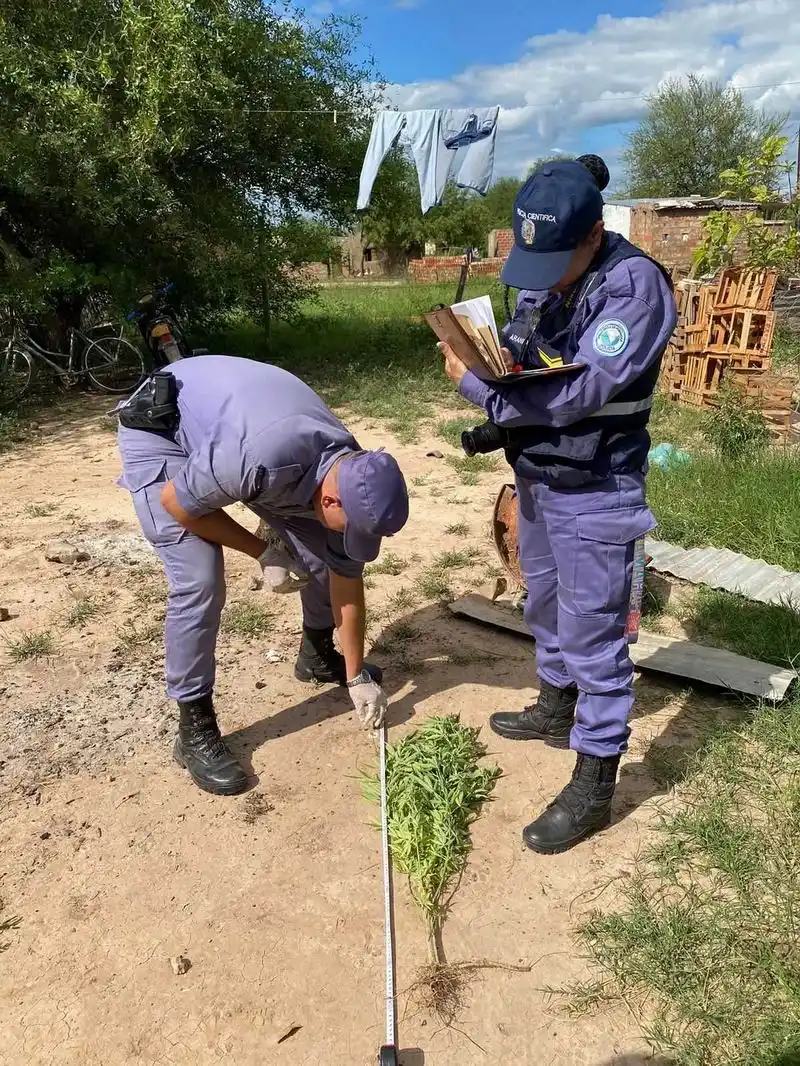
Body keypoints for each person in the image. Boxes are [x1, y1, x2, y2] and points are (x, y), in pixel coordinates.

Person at [440, 159, 677, 855]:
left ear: (593, 235)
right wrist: (487, 360)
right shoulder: (551, 273)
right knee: (542, 600)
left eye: (555, 263)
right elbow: (527, 354)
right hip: (539, 477)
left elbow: (579, 394)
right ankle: (555, 703)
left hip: (598, 486)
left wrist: (477, 390)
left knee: (595, 634)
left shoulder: (633, 288)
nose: (543, 281)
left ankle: (594, 780)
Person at [116, 355, 409, 797]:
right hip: (162, 424)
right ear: (331, 501)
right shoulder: (260, 459)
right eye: (350, 527)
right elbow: (179, 505)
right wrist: (263, 552)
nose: (351, 537)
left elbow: (346, 578)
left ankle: (317, 655)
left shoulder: (352, 471)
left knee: (322, 555)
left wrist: (357, 676)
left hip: (235, 432)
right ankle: (193, 728)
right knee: (200, 579)